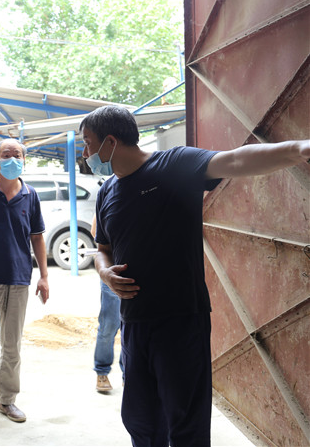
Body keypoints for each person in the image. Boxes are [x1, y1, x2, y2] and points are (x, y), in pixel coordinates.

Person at [81, 104, 310, 446]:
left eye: (88, 143)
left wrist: (299, 149)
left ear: (110, 142)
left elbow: (235, 160)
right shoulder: (107, 190)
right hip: (135, 323)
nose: (85, 154)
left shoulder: (173, 164)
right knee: (141, 421)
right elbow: (103, 248)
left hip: (181, 320)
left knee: (186, 423)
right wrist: (104, 273)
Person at [0, 138, 49, 423]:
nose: (12, 159)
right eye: (6, 154)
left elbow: (37, 236)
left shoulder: (30, 194)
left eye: (17, 155)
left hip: (19, 278)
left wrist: (44, 276)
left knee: (12, 345)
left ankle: (7, 401)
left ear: (24, 160)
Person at [90, 215, 122, 393]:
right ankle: (101, 372)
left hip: (137, 274)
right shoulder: (107, 200)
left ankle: (129, 374)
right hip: (112, 272)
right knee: (109, 326)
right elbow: (95, 231)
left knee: (131, 327)